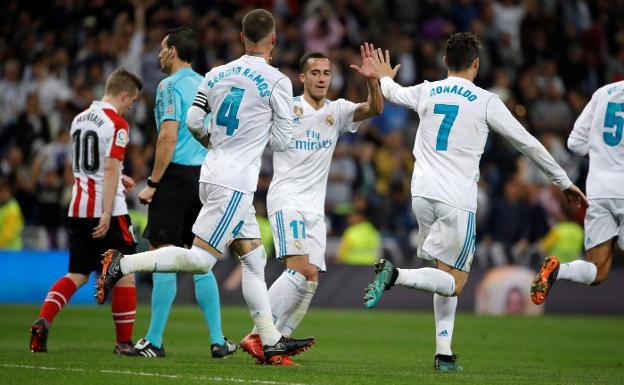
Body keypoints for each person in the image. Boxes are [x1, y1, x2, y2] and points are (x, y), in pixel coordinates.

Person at [95, 9, 315, 365]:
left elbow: (195, 120)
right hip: (235, 181)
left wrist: (216, 142)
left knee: (254, 258)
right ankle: (122, 264)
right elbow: (285, 140)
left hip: (212, 172)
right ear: (273, 40)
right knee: (200, 261)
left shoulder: (216, 73)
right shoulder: (277, 81)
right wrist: (258, 136)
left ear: (242, 37)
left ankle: (269, 339)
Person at [362, 32, 587, 371]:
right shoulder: (486, 101)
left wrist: (381, 77)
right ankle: (395, 276)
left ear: (444, 62)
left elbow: (392, 92)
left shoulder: (427, 89)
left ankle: (444, 353)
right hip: (456, 199)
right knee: (455, 282)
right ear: (477, 63)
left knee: (443, 272)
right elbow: (527, 143)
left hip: (421, 193)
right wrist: (563, 181)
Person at [240, 46, 383, 365]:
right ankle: (259, 335)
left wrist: (373, 81)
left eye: (326, 73)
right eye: (315, 73)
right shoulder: (286, 109)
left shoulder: (339, 110)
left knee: (311, 277)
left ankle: (277, 343)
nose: (321, 78)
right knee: (299, 268)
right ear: (302, 78)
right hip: (287, 198)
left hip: (314, 208)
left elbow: (375, 108)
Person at [123, 27, 236, 359]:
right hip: (207, 176)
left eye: (162, 48)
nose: (158, 54)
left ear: (173, 51)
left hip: (176, 178)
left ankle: (154, 341)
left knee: (163, 255)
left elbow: (168, 136)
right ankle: (217, 340)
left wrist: (154, 183)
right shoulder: (207, 84)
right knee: (200, 260)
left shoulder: (168, 86)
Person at [29, 68, 143, 354]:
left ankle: (43, 320)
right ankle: (124, 343)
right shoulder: (117, 124)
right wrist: (106, 212)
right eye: (132, 101)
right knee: (125, 274)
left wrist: (120, 177)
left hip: (78, 207)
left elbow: (84, 165)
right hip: (109, 211)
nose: (131, 106)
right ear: (124, 95)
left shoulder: (79, 119)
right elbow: (109, 166)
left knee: (77, 274)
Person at [531, 80, 624, 304]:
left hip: (598, 190)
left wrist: (603, 155)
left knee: (598, 270)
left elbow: (574, 143)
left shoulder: (603, 93)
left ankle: (558, 270)